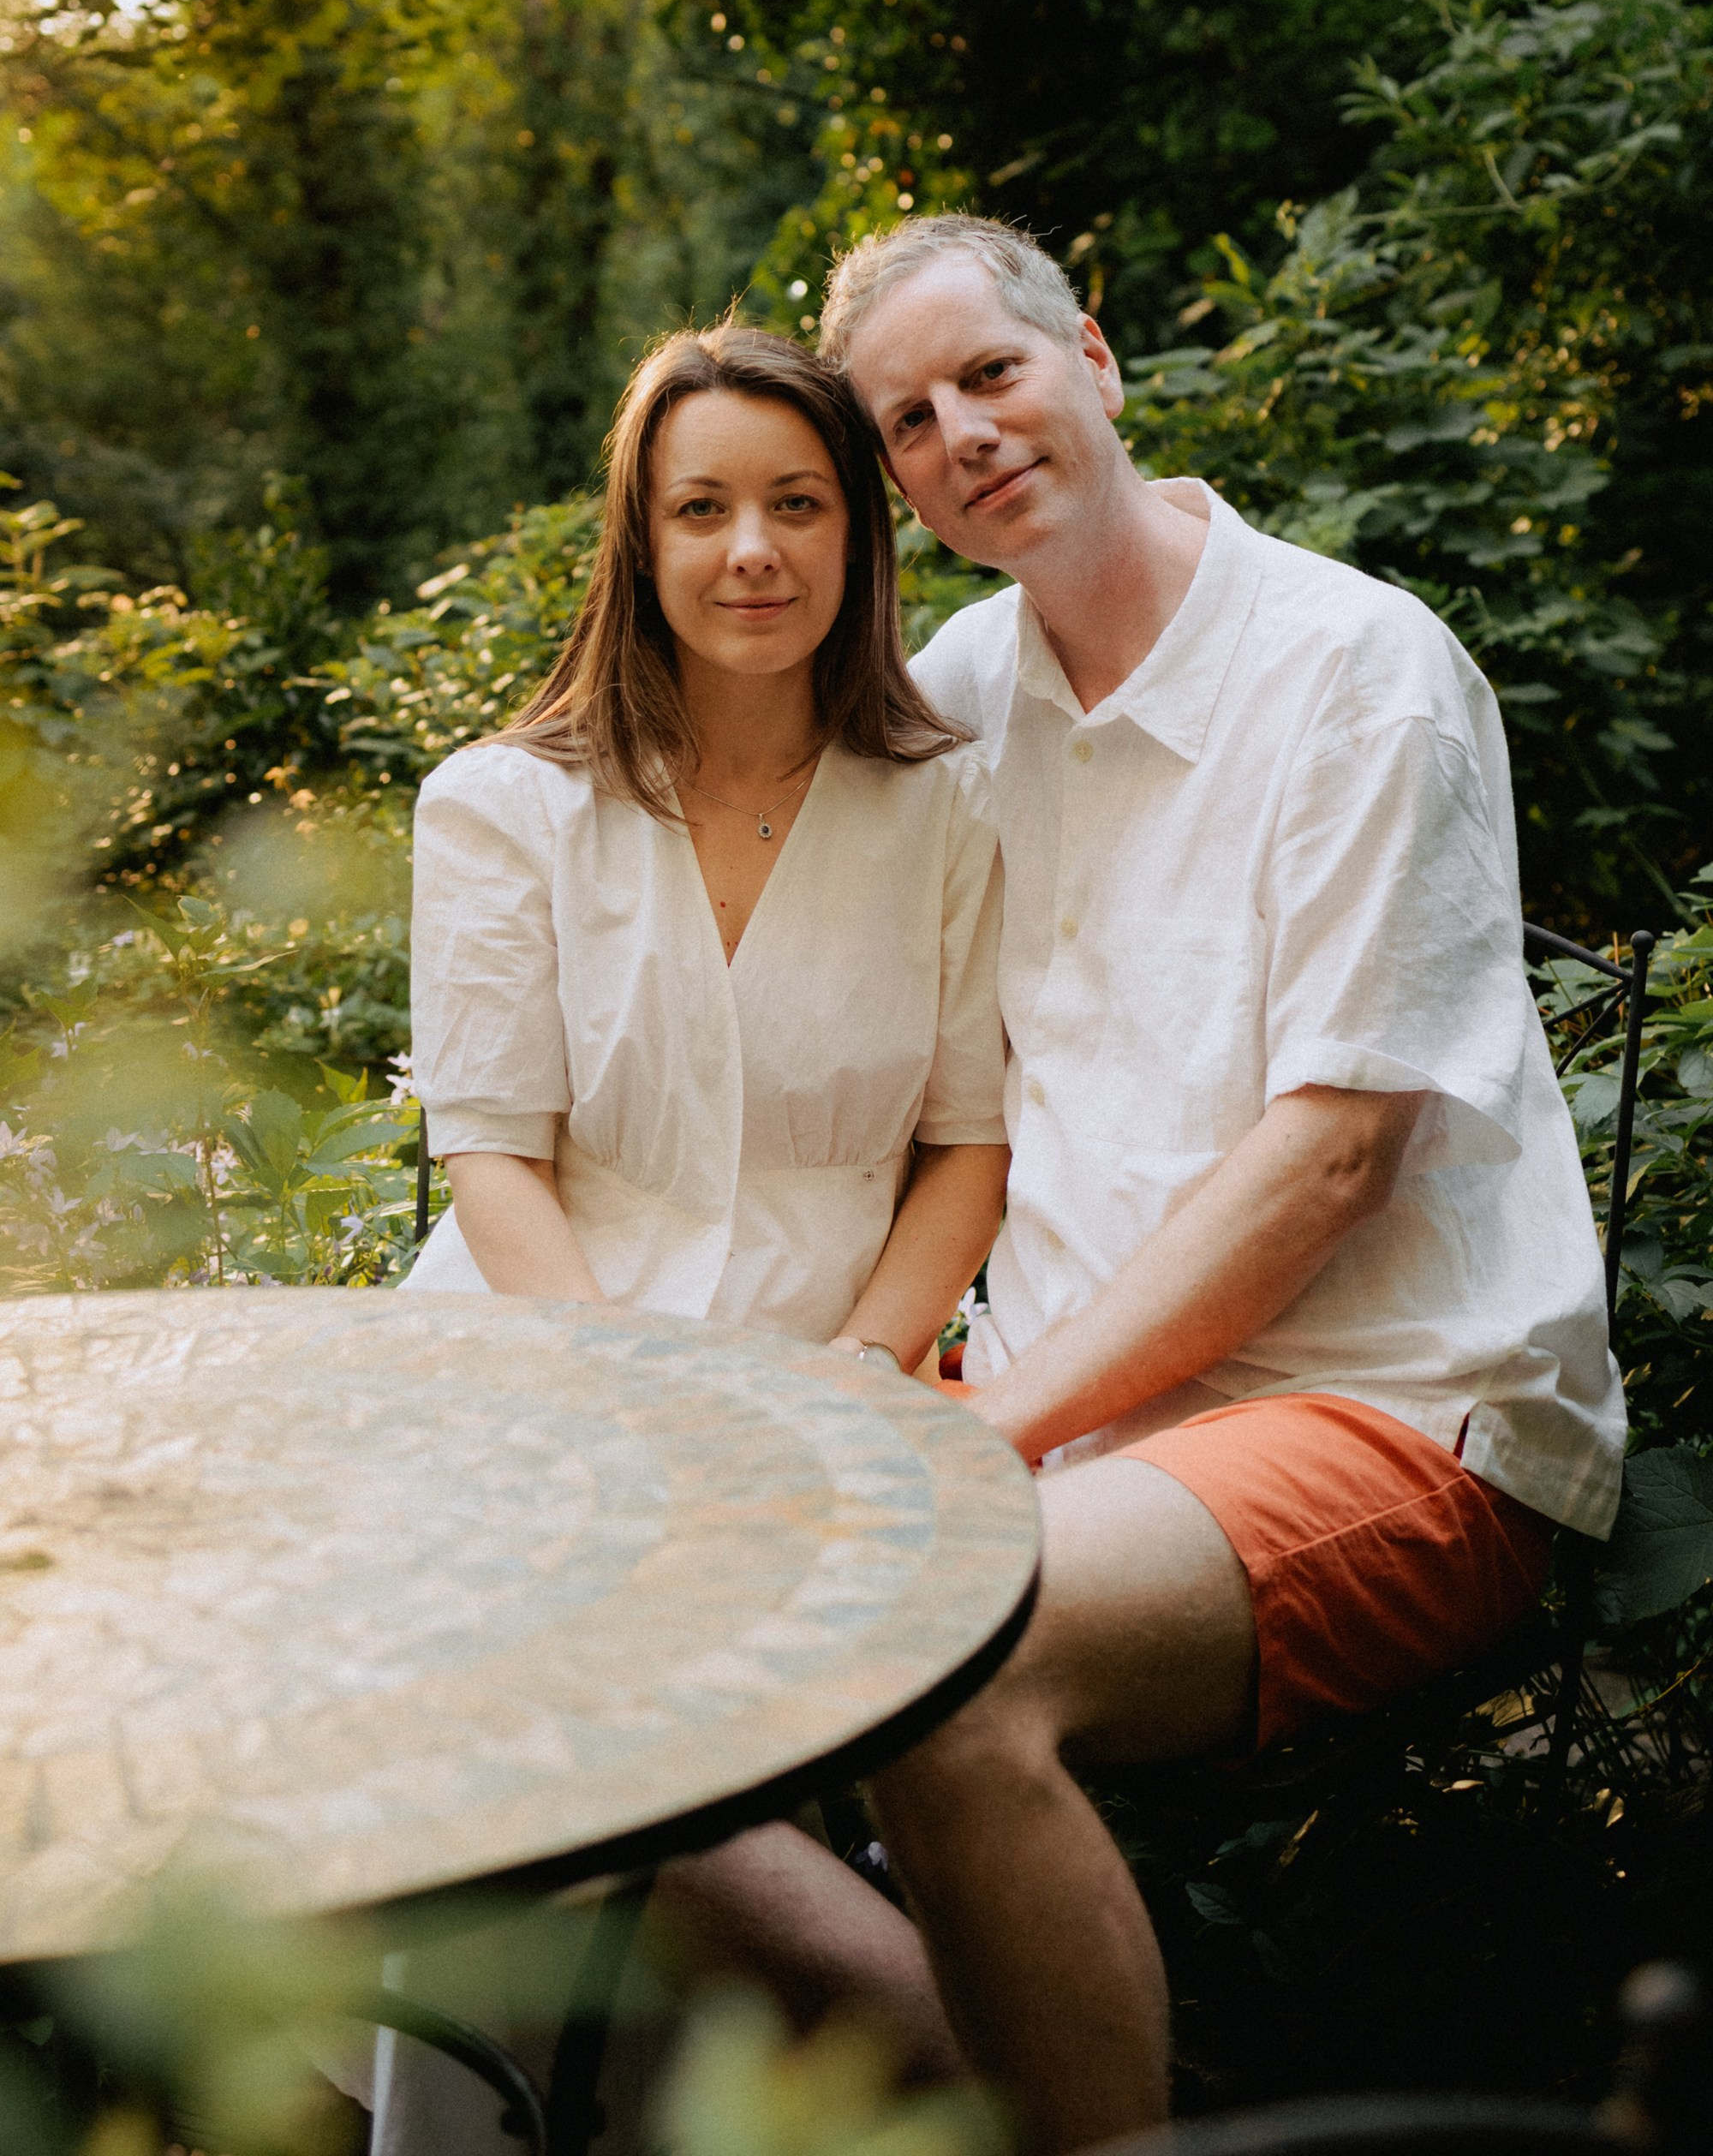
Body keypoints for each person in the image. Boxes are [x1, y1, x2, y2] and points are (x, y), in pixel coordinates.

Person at [795, 213, 1625, 2154]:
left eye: (986, 375)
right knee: (637, 1656)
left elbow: (1331, 1161)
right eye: (909, 423)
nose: (963, 436)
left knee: (937, 1672)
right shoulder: (957, 695)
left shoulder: (1351, 671)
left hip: (1392, 1408)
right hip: (1066, 1411)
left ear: (1090, 353)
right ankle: (1016, 2055)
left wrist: (991, 1434)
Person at [369, 321, 1009, 2154]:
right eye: (702, 507)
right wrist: (629, 1404)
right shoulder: (505, 806)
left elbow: (967, 1144)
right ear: (636, 544)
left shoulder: (945, 801)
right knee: (518, 1665)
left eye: (799, 504)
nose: (753, 551)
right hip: (535, 1345)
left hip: (840, 1364)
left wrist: (849, 1389)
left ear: (859, 536)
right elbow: (492, 1155)